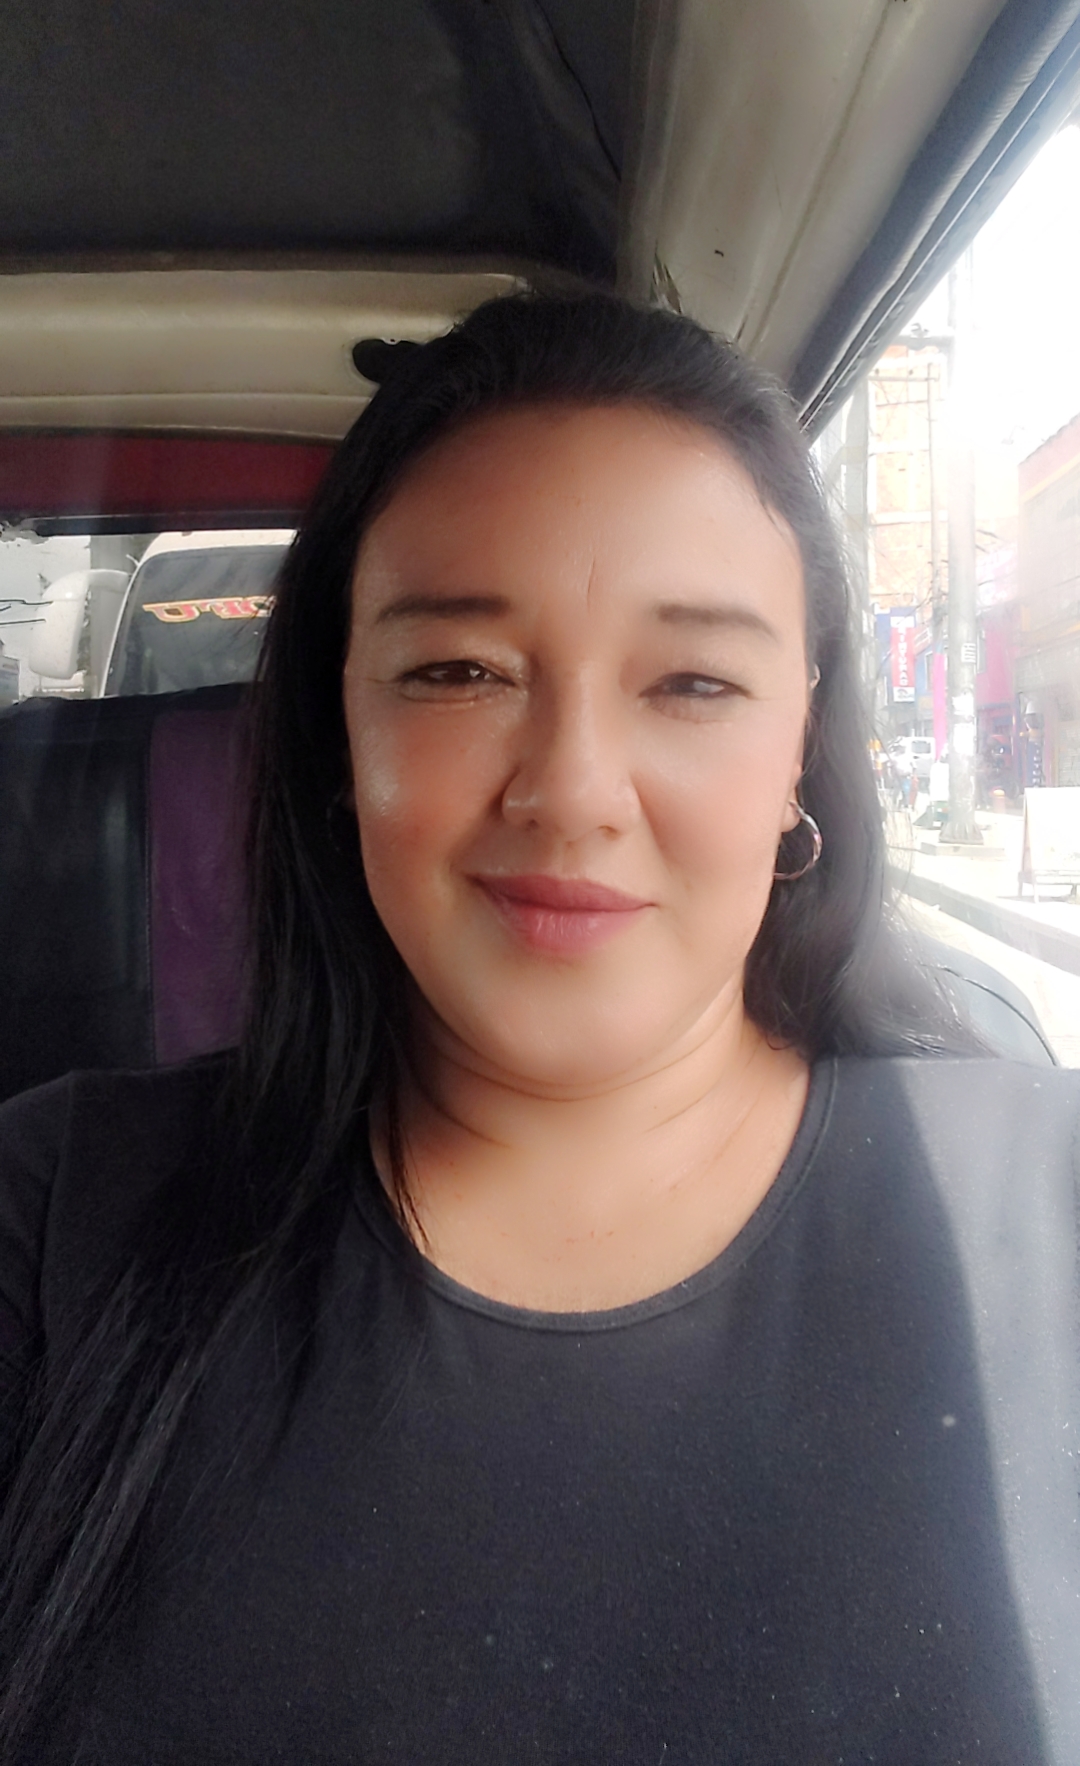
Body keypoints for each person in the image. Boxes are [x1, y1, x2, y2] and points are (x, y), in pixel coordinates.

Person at [0, 294, 1078, 1763]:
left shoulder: (1041, 1206)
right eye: (459, 672)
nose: (572, 792)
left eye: (694, 683)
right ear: (340, 733)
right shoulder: (55, 1216)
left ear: (798, 749)